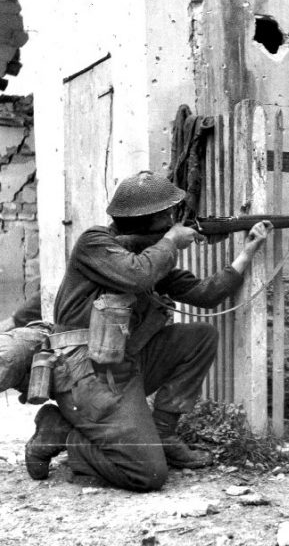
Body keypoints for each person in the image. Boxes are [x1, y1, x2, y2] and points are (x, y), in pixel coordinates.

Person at [24, 170, 271, 492]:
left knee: (199, 336)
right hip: (86, 373)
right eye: (168, 214)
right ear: (152, 218)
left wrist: (247, 250)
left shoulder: (148, 256)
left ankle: (163, 434)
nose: (173, 219)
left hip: (124, 363)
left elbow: (205, 295)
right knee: (147, 474)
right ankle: (60, 433)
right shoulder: (95, 243)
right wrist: (170, 242)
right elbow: (137, 277)